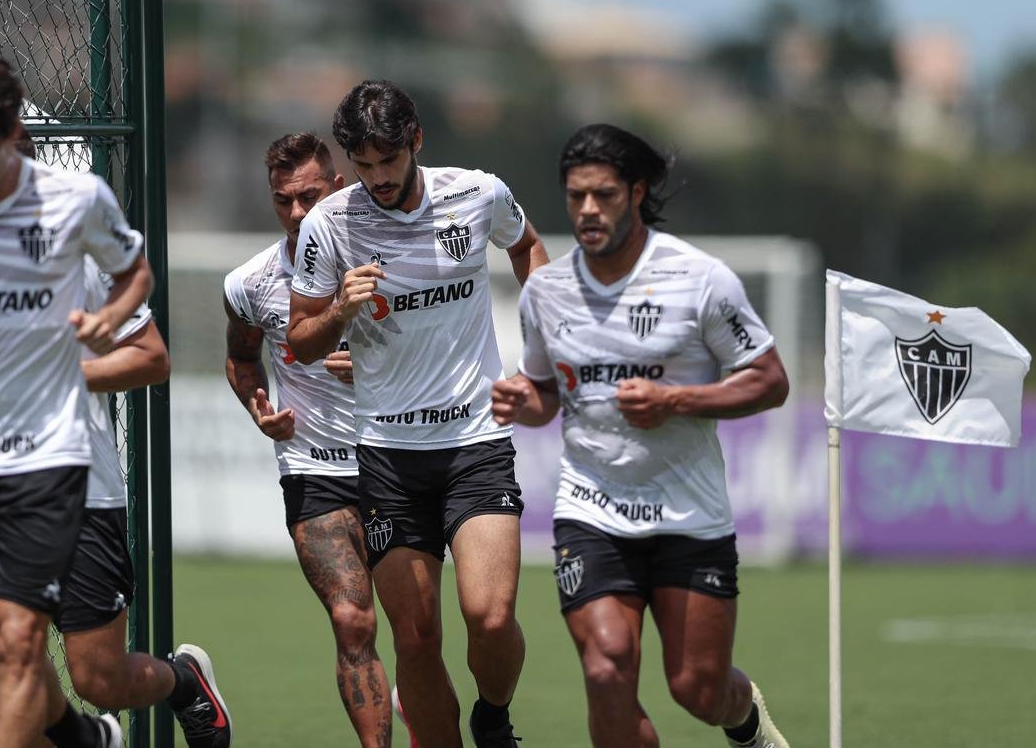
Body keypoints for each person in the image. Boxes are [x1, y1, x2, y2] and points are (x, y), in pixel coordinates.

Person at [0, 52, 224, 748]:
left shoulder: (76, 226)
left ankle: (180, 682)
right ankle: (88, 741)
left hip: (70, 469)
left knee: (77, 667)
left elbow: (151, 356)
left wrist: (54, 371)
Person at [491, 123, 792, 748]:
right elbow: (547, 394)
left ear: (636, 191)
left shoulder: (701, 279)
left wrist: (678, 399)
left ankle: (748, 723)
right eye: (576, 197)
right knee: (606, 666)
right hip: (591, 507)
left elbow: (769, 380)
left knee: (697, 690)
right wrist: (527, 399)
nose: (587, 211)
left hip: (690, 514)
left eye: (602, 195)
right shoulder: (545, 293)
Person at [287, 80, 549, 748]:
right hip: (387, 456)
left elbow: (525, 246)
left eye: (390, 162)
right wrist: (340, 309)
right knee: (416, 635)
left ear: (417, 142)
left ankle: (493, 715)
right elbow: (300, 340)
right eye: (364, 165)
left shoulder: (477, 192)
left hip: (475, 440)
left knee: (490, 618)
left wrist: (546, 345)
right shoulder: (330, 225)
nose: (377, 177)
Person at [223, 132, 394, 747]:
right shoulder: (252, 282)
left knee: (421, 629)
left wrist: (378, 366)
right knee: (352, 620)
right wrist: (257, 406)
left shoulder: (389, 256)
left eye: (309, 197)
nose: (297, 213)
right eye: (282, 201)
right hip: (313, 466)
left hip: (396, 457)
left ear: (339, 188)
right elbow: (242, 360)